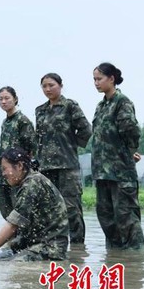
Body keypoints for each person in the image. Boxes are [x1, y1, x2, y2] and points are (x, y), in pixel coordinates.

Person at [0, 147, 69, 261]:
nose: (3, 174)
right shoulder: (30, 181)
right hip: (33, 244)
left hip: (49, 248)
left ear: (19, 166)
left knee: (9, 265)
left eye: (4, 169)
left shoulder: (33, 183)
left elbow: (14, 224)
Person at [91, 62, 144, 250]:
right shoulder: (101, 106)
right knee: (107, 219)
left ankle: (136, 264)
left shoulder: (122, 102)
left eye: (99, 79)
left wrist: (128, 153)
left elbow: (131, 131)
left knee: (127, 220)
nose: (96, 83)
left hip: (121, 173)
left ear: (111, 79)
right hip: (102, 173)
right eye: (94, 79)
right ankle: (116, 261)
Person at [35, 73, 92, 244]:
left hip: (67, 166)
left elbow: (86, 130)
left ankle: (77, 248)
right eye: (44, 86)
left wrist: (71, 144)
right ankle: (54, 244)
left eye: (51, 85)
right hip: (45, 167)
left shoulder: (70, 106)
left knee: (72, 209)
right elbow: (38, 138)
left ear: (60, 85)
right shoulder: (40, 110)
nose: (47, 89)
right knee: (49, 208)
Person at [0, 86, 35, 220]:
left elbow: (31, 149)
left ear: (15, 99)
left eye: (7, 98)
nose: (3, 102)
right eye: (0, 99)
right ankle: (11, 240)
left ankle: (22, 239)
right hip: (4, 174)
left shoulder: (22, 121)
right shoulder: (5, 122)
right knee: (5, 211)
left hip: (18, 174)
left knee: (19, 211)